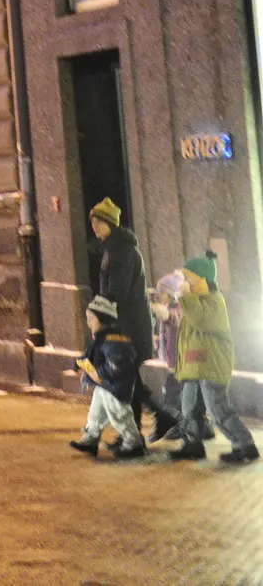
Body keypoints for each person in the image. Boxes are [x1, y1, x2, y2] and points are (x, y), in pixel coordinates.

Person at [88, 198, 176, 441]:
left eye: (98, 221)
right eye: (93, 221)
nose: (94, 226)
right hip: (124, 324)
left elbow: (118, 291)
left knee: (126, 381)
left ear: (110, 223)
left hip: (128, 327)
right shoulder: (114, 248)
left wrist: (97, 311)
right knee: (128, 380)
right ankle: (136, 432)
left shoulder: (121, 251)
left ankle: (151, 423)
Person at [162, 252, 258, 464]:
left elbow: (200, 321)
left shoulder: (214, 301)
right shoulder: (193, 302)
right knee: (189, 409)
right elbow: (186, 338)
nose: (185, 283)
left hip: (211, 365)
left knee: (218, 410)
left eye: (189, 279)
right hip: (194, 366)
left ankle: (245, 445)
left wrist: (187, 297)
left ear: (203, 280)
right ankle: (192, 444)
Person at [70, 296, 146, 458]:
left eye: (91, 319)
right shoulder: (102, 340)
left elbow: (116, 366)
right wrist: (80, 364)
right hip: (105, 384)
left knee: (119, 413)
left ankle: (133, 442)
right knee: (96, 411)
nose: (88, 323)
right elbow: (91, 355)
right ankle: (91, 436)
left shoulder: (115, 341)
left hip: (116, 387)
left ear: (102, 320)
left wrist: (96, 372)